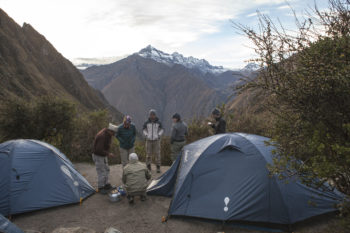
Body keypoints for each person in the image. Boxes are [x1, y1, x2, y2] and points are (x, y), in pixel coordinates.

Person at [92, 123, 118, 194]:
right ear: (111, 131)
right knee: (101, 171)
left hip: (103, 155)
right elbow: (98, 149)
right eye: (114, 133)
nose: (114, 134)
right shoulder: (102, 136)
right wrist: (108, 154)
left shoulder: (108, 134)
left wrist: (107, 153)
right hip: (98, 156)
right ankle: (101, 187)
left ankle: (106, 184)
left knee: (106, 169)